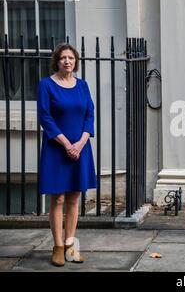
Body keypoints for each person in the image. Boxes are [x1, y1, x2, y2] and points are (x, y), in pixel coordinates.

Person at [37, 43, 96, 266]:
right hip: (56, 148)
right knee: (58, 198)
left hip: (80, 148)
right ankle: (58, 247)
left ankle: (71, 246)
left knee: (74, 198)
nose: (67, 61)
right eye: (63, 58)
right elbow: (45, 117)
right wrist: (66, 144)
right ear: (57, 61)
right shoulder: (46, 85)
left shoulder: (82, 86)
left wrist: (80, 143)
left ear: (76, 61)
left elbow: (89, 114)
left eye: (71, 58)